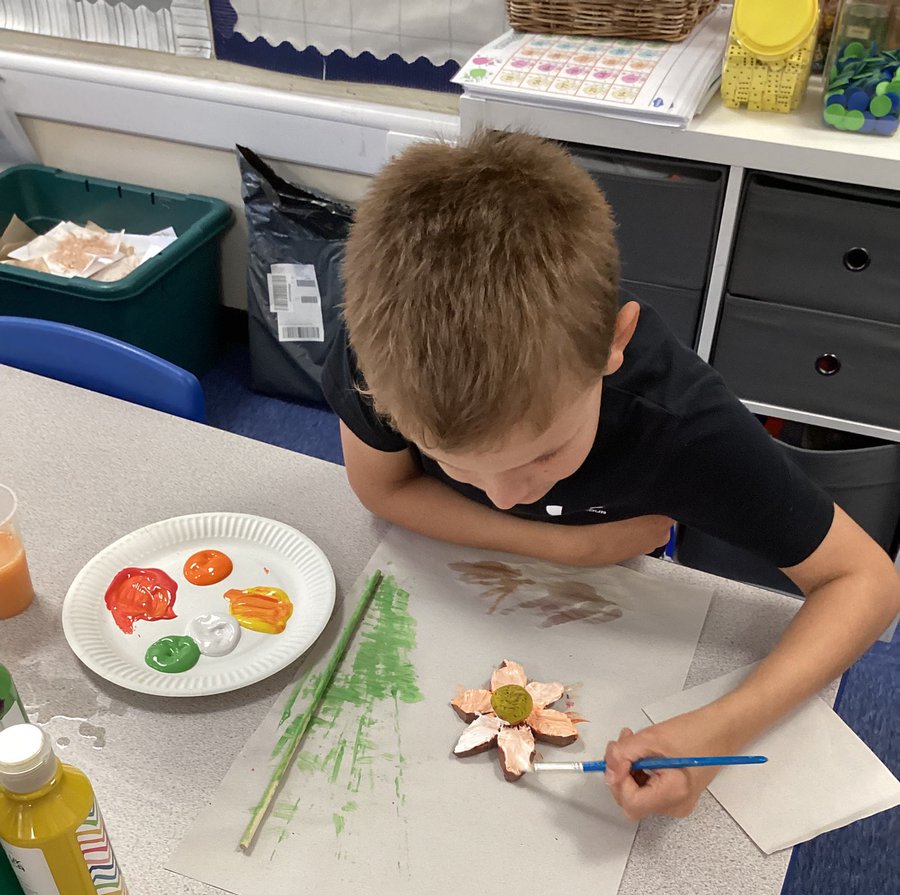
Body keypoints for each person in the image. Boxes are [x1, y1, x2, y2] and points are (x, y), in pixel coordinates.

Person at [322, 130, 900, 821]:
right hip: (475, 599)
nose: (505, 495)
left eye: (542, 456)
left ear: (613, 346)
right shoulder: (382, 364)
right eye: (452, 463)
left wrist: (719, 734)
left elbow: (866, 582)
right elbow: (380, 488)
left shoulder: (678, 422)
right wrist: (568, 546)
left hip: (627, 627)